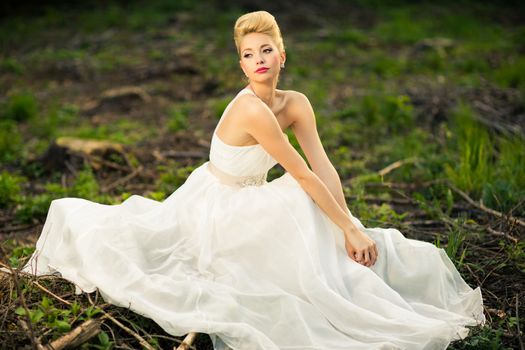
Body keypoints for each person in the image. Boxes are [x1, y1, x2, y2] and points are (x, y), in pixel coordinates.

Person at [21, 10, 486, 350]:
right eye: (248, 54)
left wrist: (350, 223)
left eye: (266, 50)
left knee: (315, 212)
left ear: (282, 55)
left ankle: (348, 272)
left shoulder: (297, 103)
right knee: (300, 202)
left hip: (253, 197)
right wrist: (344, 226)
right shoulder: (250, 108)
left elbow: (321, 164)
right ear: (241, 66)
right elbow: (299, 172)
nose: (259, 59)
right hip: (215, 206)